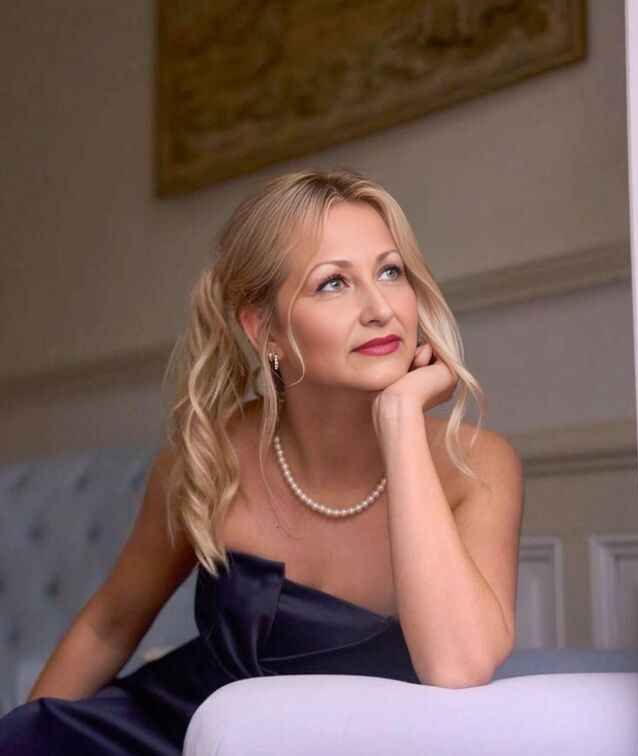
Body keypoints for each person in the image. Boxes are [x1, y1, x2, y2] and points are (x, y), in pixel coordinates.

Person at [0, 168, 524, 754]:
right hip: (176, 733)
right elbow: (109, 625)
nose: (380, 308)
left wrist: (400, 420)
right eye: (333, 283)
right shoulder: (208, 456)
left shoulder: (478, 467)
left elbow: (459, 665)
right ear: (265, 331)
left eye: (390, 271)